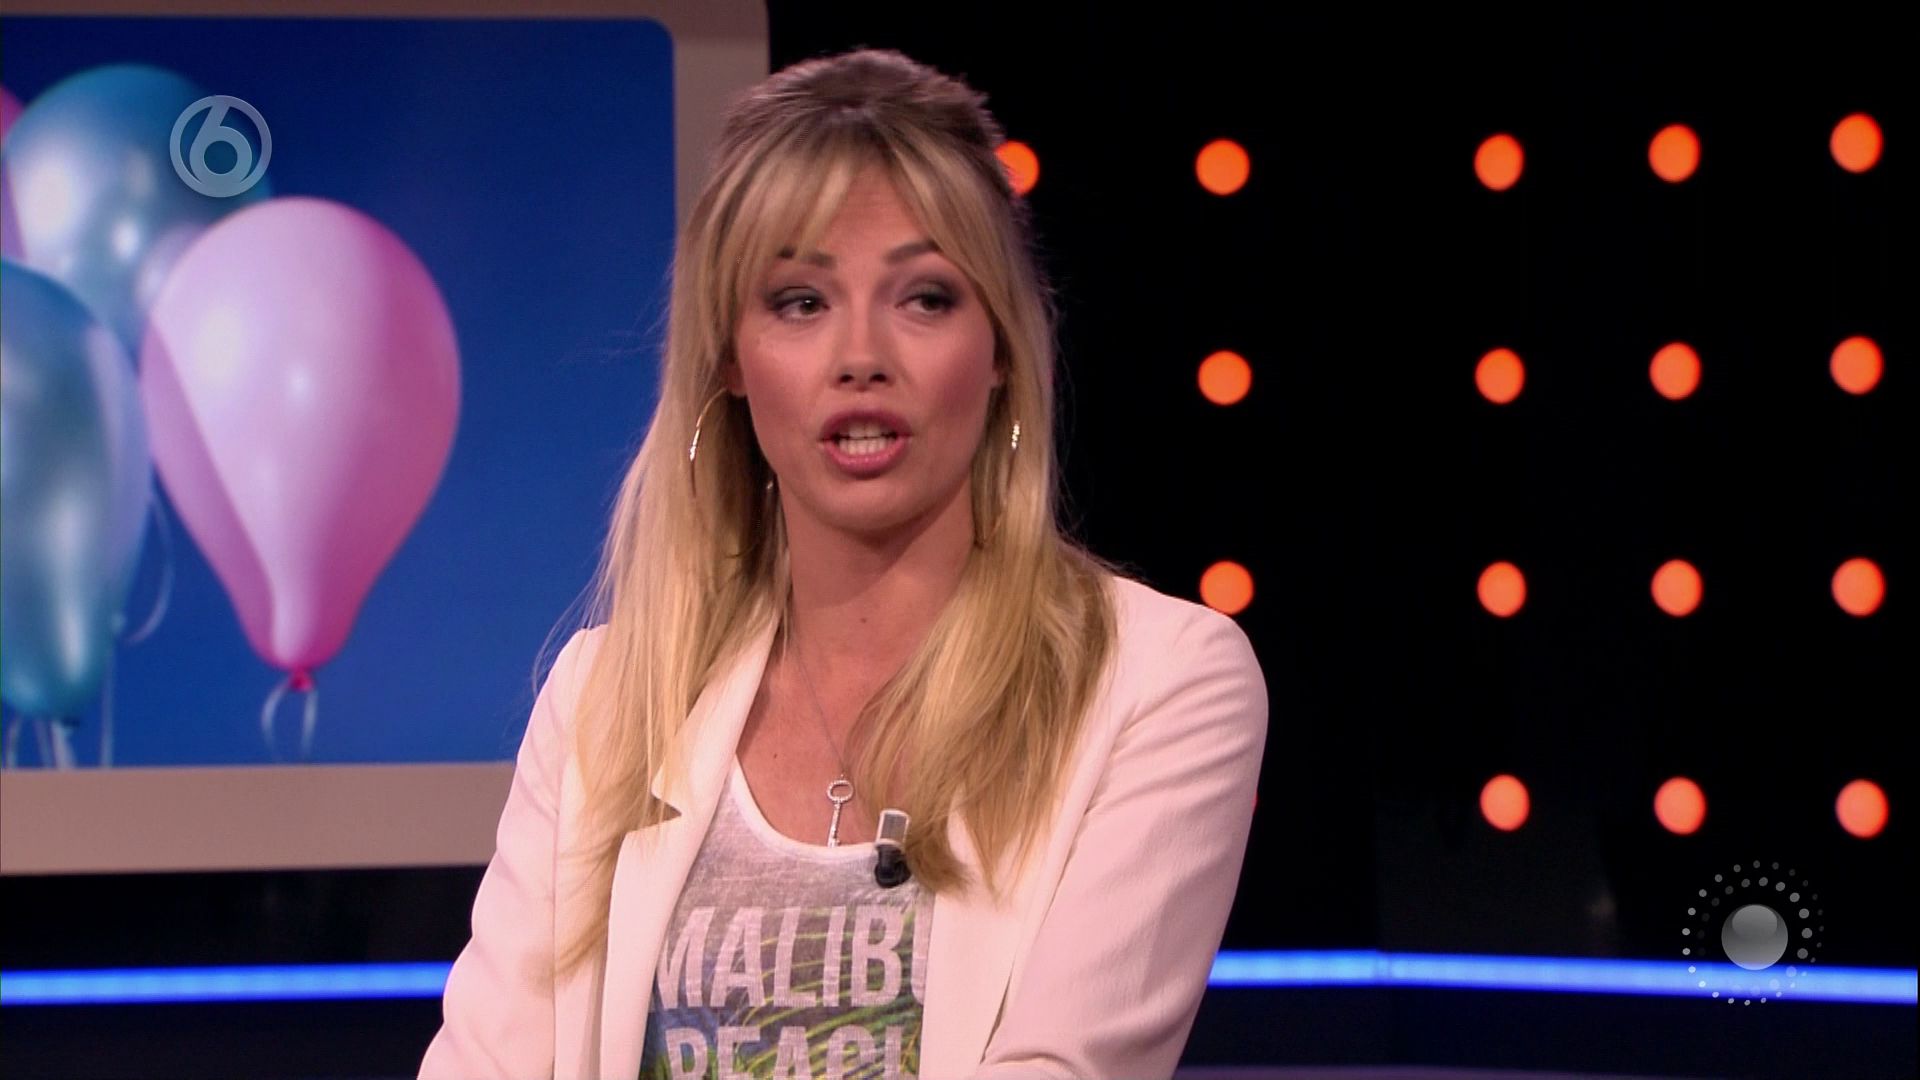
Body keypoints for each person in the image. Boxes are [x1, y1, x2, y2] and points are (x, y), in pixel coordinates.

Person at [420, 47, 1267, 1080]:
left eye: (925, 298)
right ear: (729, 359)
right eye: (800, 302)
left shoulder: (1162, 680)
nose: (862, 357)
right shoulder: (607, 700)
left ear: (1001, 349)